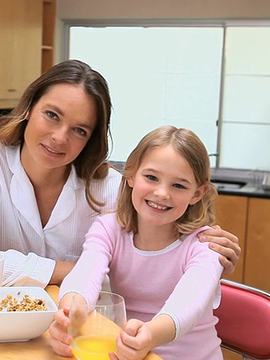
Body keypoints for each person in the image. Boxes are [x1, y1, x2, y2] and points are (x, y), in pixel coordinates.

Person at [0, 59, 240, 288]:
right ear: (29, 107)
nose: (60, 137)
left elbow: (149, 265)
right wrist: (73, 271)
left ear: (91, 139)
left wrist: (207, 253)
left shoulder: (109, 189)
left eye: (79, 130)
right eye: (52, 115)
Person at [49, 125, 224, 360]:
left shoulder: (205, 245)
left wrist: (150, 334)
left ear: (197, 194)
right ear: (130, 176)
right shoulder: (108, 228)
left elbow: (189, 303)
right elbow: (85, 273)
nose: (162, 193)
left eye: (179, 185)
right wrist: (72, 310)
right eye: (151, 177)